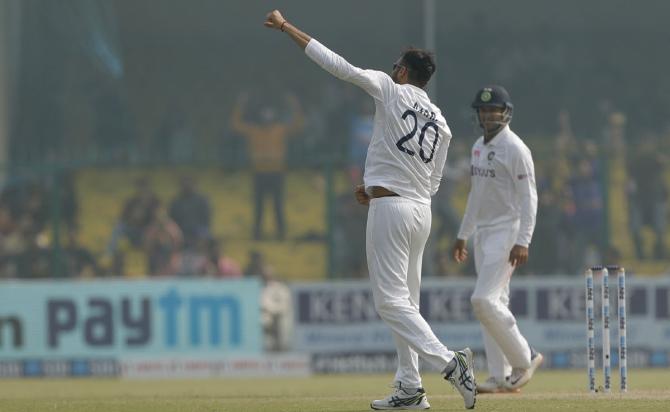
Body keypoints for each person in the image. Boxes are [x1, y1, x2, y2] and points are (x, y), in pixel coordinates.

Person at [264, 10, 476, 410]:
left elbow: (338, 66)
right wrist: (376, 187)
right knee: (407, 304)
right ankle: (410, 387)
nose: (391, 67)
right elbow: (433, 182)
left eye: (396, 65)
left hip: (393, 211)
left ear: (402, 71)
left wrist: (286, 27)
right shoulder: (442, 122)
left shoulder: (389, 89)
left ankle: (451, 362)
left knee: (389, 303)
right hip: (420, 212)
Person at [451, 85, 543, 394]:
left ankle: (525, 357)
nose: (489, 115)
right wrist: (464, 234)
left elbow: (529, 199)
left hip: (507, 232)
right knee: (495, 303)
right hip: (484, 233)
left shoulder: (515, 149)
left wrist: (523, 239)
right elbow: (476, 196)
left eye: (495, 110)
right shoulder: (478, 146)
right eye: (484, 110)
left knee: (483, 300)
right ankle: (499, 375)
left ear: (506, 112)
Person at [231, 90, 304, 241]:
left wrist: (294, 104)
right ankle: (257, 233)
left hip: (277, 172)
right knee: (259, 206)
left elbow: (297, 125)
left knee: (278, 205)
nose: (267, 119)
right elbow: (236, 125)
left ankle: (281, 234)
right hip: (259, 172)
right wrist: (241, 104)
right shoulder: (253, 130)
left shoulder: (280, 129)